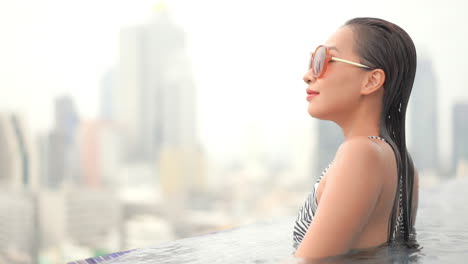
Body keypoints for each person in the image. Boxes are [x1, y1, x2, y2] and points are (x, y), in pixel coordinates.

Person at [292, 17, 420, 260]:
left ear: (371, 80)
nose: (308, 75)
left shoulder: (359, 153)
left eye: (322, 60)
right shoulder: (402, 160)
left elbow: (308, 261)